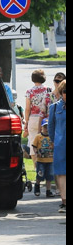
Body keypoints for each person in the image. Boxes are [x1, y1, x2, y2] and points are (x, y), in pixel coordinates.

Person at [23, 69, 52, 161]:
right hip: (45, 119)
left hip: (33, 118)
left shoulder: (29, 91)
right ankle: (45, 164)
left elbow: (27, 109)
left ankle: (36, 166)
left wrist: (26, 122)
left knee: (32, 142)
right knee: (45, 142)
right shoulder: (48, 90)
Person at [47, 81, 66, 213]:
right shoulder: (54, 108)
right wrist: (54, 141)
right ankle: (64, 201)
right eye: (64, 92)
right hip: (60, 145)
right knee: (61, 172)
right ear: (61, 93)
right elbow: (51, 127)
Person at [31, 118, 55, 197]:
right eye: (45, 127)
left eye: (48, 127)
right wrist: (36, 152)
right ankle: (37, 186)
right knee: (40, 174)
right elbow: (34, 146)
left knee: (49, 176)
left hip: (50, 160)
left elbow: (55, 146)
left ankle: (48, 191)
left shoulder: (52, 137)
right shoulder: (38, 137)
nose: (46, 129)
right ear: (41, 127)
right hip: (41, 160)